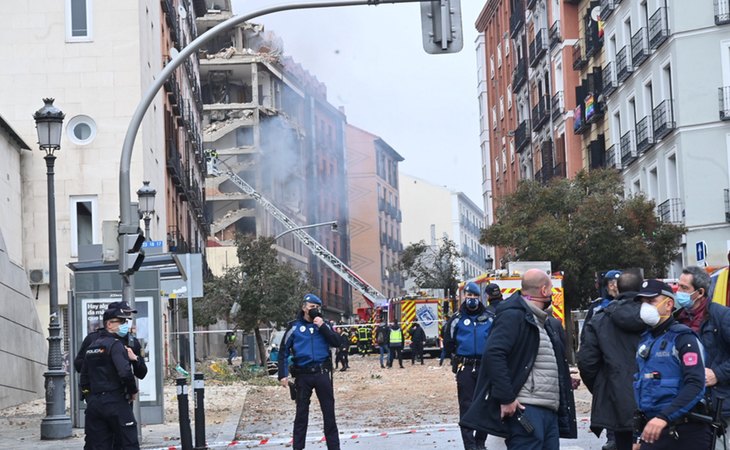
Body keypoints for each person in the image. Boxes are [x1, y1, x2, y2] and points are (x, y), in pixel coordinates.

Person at [461, 269, 577, 449]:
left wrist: (563, 379)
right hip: (528, 409)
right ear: (544, 291)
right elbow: (494, 354)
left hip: (548, 409)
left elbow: (535, 360)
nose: (552, 293)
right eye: (551, 289)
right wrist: (506, 398)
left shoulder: (544, 322)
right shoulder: (513, 316)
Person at [632, 279, 712, 449]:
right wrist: (637, 436)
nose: (645, 307)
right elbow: (642, 389)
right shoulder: (646, 341)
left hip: (685, 431)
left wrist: (664, 417)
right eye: (642, 302)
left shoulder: (684, 339)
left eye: (651, 301)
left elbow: (696, 384)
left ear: (668, 304)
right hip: (653, 432)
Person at [577, 271, 645, 450]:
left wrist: (603, 387)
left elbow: (586, 362)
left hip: (617, 398)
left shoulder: (600, 319)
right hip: (653, 399)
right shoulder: (655, 317)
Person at [675, 266, 730, 449]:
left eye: (684, 288)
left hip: (719, 405)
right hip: (688, 406)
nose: (678, 292)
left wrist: (717, 374)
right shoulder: (677, 320)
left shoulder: (721, 316)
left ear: (700, 292)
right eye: (678, 286)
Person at [278, 293, 342, 450]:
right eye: (312, 307)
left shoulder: (323, 325)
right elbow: (283, 351)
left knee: (329, 415)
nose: (315, 310)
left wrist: (322, 326)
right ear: (304, 307)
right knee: (301, 416)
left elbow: (337, 342)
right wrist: (282, 374)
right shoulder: (294, 327)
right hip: (303, 375)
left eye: (317, 307)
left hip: (322, 374)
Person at [79, 303, 140, 449]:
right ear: (110, 324)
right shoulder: (115, 345)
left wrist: (90, 397)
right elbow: (125, 372)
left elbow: (83, 377)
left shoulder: (92, 346)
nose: (125, 325)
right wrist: (133, 391)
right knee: (128, 442)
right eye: (122, 322)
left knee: (97, 444)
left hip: (95, 403)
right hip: (115, 400)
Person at [444, 281, 495, 450]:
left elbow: (496, 340)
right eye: (468, 295)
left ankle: (480, 442)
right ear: (464, 296)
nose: (471, 298)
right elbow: (449, 342)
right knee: (466, 406)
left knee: (484, 405)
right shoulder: (456, 319)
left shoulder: (489, 318)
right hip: (465, 367)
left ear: (479, 297)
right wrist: (455, 360)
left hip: (484, 367)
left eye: (474, 296)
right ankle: (469, 445)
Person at [74, 301, 147, 381]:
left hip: (120, 390)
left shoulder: (131, 341)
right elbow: (78, 365)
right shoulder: (93, 338)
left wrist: (135, 359)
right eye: (123, 317)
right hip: (96, 389)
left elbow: (142, 373)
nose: (127, 321)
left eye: (128, 317)